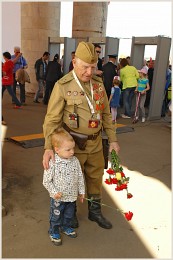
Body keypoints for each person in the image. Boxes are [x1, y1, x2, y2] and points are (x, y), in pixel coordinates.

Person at [42, 41, 120, 230]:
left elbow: (107, 115)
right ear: (74, 61)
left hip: (96, 143)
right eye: (85, 67)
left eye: (93, 67)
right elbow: (52, 119)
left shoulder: (98, 84)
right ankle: (72, 212)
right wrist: (47, 148)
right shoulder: (63, 85)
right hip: (73, 145)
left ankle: (95, 212)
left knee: (96, 176)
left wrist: (113, 140)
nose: (89, 72)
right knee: (71, 179)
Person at [43, 128, 85, 246]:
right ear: (57, 150)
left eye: (73, 148)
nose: (72, 152)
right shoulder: (53, 163)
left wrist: (81, 192)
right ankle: (54, 231)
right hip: (58, 199)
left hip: (71, 197)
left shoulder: (75, 161)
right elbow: (46, 181)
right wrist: (54, 192)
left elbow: (80, 177)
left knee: (69, 215)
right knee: (56, 216)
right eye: (68, 149)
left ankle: (66, 227)